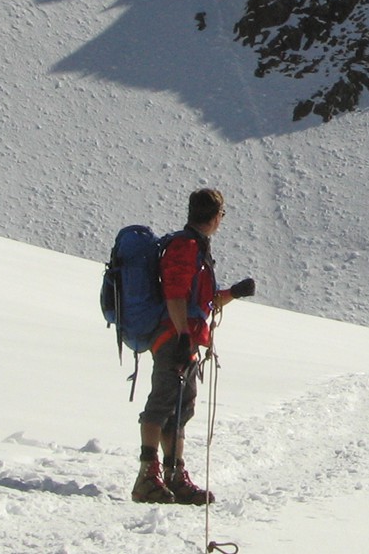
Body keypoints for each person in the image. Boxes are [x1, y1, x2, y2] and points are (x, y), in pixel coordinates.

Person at [134, 187, 257, 504]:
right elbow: (175, 295)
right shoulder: (186, 247)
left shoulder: (195, 248)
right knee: (163, 403)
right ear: (216, 217)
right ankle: (148, 477)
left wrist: (234, 293)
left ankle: (173, 475)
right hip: (174, 338)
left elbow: (200, 302)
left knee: (179, 408)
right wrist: (183, 334)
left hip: (182, 337)